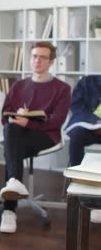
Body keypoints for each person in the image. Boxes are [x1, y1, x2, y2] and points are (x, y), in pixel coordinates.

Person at [0, 42, 71, 233]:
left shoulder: (62, 88)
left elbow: (57, 121)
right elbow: (5, 114)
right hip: (18, 133)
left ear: (51, 61)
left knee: (11, 147)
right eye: (34, 56)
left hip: (46, 136)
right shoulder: (19, 85)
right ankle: (13, 186)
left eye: (42, 57)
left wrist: (29, 122)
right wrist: (17, 116)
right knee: (11, 132)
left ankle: (9, 209)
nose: (37, 60)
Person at [65, 75, 101, 223]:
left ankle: (99, 202)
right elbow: (76, 107)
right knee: (76, 135)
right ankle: (78, 183)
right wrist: (96, 122)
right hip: (88, 128)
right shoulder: (87, 82)